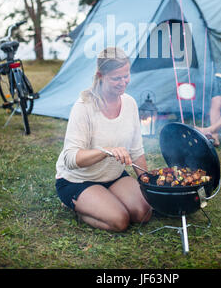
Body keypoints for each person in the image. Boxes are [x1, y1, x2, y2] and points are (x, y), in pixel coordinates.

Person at [55, 47, 152, 231]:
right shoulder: (84, 106)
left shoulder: (130, 103)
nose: (123, 83)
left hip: (113, 176)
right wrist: (105, 151)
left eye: (126, 76)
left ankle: (105, 197)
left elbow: (136, 151)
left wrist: (148, 184)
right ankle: (76, 206)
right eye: (116, 78)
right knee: (119, 220)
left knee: (144, 213)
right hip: (79, 180)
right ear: (100, 75)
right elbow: (70, 159)